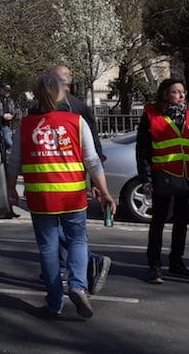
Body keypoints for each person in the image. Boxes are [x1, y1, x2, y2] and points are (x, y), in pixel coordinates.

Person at [7, 74, 117, 319]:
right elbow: (92, 161)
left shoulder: (25, 126)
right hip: (72, 194)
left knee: (48, 248)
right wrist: (105, 192)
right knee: (78, 241)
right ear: (61, 94)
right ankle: (78, 286)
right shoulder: (76, 122)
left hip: (40, 197)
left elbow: (14, 162)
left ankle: (54, 301)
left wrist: (11, 189)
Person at [31, 65, 113, 294]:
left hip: (54, 182)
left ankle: (81, 266)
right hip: (66, 181)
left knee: (57, 234)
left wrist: (95, 184)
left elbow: (90, 147)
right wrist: (97, 184)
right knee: (65, 233)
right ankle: (74, 271)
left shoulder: (70, 108)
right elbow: (92, 150)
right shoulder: (72, 106)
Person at [136, 78, 189, 284]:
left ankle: (176, 262)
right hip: (164, 175)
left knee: (181, 222)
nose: (181, 95)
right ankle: (155, 265)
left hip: (188, 175)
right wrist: (146, 177)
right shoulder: (151, 115)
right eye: (176, 92)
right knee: (158, 221)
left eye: (183, 92)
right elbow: (143, 150)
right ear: (165, 94)